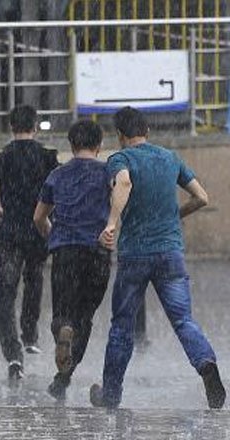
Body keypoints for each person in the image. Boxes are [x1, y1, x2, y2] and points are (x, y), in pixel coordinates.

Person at [90, 107, 226, 410]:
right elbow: (201, 197)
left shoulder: (120, 159)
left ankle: (110, 395)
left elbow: (124, 183)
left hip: (135, 254)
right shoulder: (169, 158)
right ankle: (206, 364)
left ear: (120, 135)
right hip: (170, 253)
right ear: (147, 132)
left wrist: (111, 223)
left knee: (122, 326)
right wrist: (174, 217)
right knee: (183, 320)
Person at [0, 105, 58, 383]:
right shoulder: (47, 157)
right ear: (35, 126)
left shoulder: (2, 157)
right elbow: (59, 191)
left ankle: (14, 355)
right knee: (34, 278)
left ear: (11, 127)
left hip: (9, 233)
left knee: (4, 294)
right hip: (38, 230)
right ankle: (30, 335)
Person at [33, 120, 111, 400]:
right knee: (85, 318)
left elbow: (39, 217)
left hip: (65, 252)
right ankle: (62, 379)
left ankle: (63, 331)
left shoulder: (57, 175)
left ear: (71, 144)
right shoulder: (107, 173)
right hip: (98, 252)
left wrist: (53, 236)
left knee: (63, 313)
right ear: (99, 145)